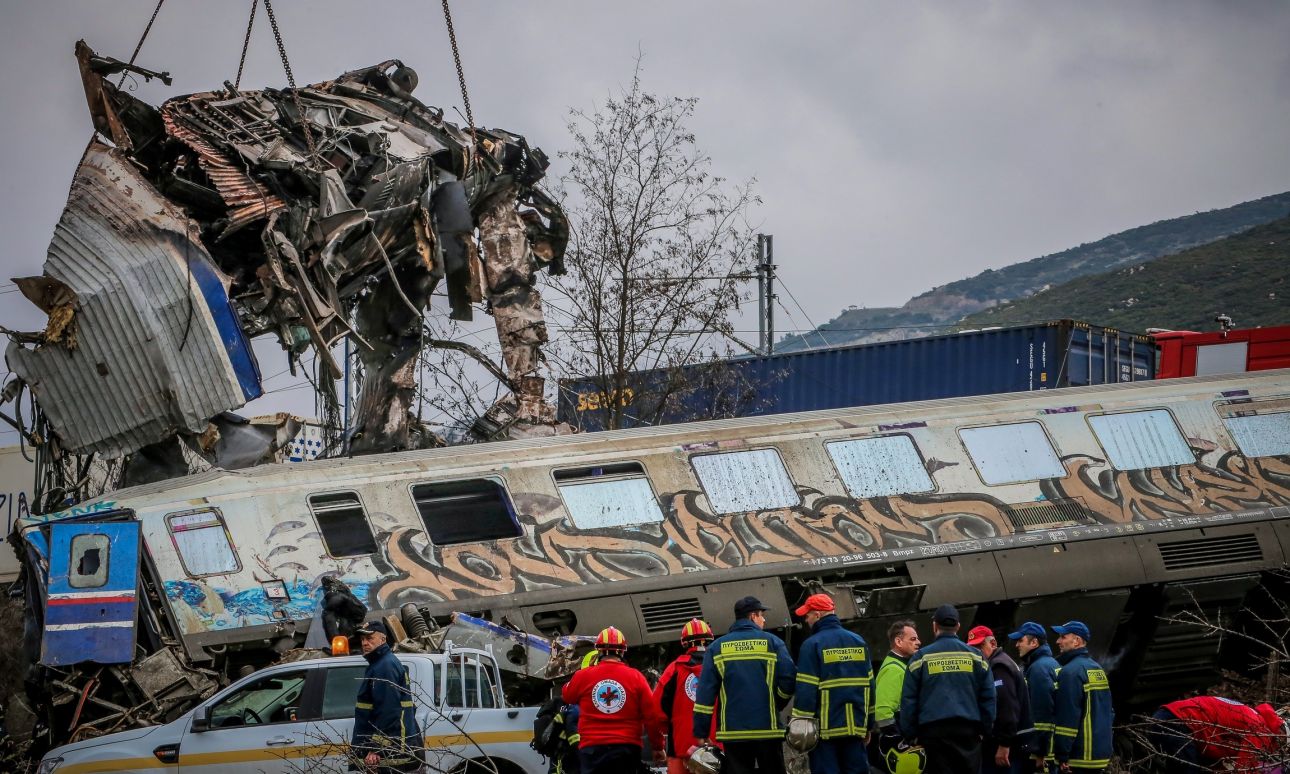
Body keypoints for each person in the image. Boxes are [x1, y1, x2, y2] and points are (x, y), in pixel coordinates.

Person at [693, 596, 796, 774]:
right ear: (752, 616)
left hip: (733, 733)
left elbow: (705, 694)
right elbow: (788, 679)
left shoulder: (717, 648)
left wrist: (701, 732)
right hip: (768, 730)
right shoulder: (773, 643)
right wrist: (776, 703)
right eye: (761, 615)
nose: (764, 619)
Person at [898, 604, 996, 774]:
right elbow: (988, 697)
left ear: (935, 626)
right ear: (958, 626)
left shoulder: (920, 658)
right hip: (969, 734)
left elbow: (909, 700)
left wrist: (911, 735)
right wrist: (985, 730)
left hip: (933, 736)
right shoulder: (976, 657)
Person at [562, 626, 666, 774]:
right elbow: (652, 716)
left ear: (598, 651)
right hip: (626, 749)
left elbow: (567, 695)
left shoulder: (583, 676)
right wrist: (658, 746)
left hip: (592, 749)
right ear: (623, 651)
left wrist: (582, 675)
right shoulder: (636, 677)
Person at [792, 593, 872, 774]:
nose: (806, 620)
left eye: (808, 615)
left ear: (818, 615)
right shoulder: (858, 641)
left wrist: (800, 728)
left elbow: (806, 690)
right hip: (855, 729)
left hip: (825, 733)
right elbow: (869, 687)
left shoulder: (812, 644)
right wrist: (868, 725)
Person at [352, 621, 424, 773]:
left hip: (392, 752)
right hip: (393, 749)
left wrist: (376, 748)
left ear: (383, 639)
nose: (365, 643)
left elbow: (389, 711)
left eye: (370, 638)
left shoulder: (385, 666)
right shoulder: (379, 663)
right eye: (362, 639)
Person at [1148, 695, 1287, 772]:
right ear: (1281, 733)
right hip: (1177, 722)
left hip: (1169, 717)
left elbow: (1217, 760)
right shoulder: (1260, 729)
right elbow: (1245, 770)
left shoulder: (1253, 718)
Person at [654, 618, 718, 774]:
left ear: (684, 643)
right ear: (710, 641)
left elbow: (657, 710)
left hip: (681, 747)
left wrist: (663, 734)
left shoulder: (674, 670)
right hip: (717, 747)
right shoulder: (720, 666)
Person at [1050, 621, 1113, 773]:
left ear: (1077, 641)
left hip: (1079, 756)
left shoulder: (1070, 672)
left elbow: (1068, 717)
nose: (1058, 641)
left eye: (1063, 637)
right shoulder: (1097, 669)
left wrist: (1062, 755)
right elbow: (1109, 712)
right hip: (1099, 754)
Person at [967, 626, 1030, 774]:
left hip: (1005, 747)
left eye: (979, 646)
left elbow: (1006, 707)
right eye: (972, 648)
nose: (975, 652)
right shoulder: (1000, 662)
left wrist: (1004, 744)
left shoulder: (998, 667)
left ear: (993, 644)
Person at [1009, 621, 1059, 772]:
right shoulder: (1050, 663)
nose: (1017, 645)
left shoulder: (1038, 670)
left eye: (1020, 640)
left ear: (1034, 643)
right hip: (1050, 747)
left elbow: (1042, 715)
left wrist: (1039, 752)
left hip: (1040, 752)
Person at [872, 620, 921, 773]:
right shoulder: (893, 669)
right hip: (898, 746)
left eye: (917, 638)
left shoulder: (900, 665)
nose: (918, 642)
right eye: (913, 639)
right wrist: (897, 741)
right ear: (898, 641)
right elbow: (883, 710)